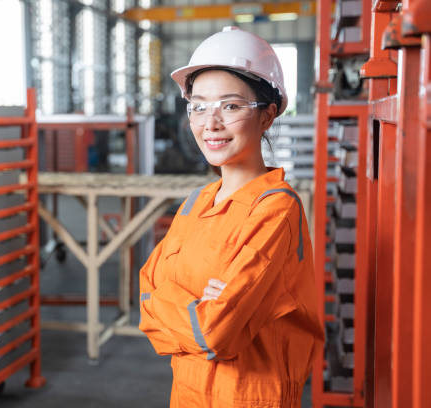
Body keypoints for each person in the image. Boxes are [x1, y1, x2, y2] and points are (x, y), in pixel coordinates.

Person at [139, 26, 324, 408]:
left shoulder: (276, 209)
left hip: (250, 398)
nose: (211, 123)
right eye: (199, 106)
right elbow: (144, 297)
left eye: (231, 106)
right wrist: (199, 305)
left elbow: (214, 332)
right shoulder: (196, 202)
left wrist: (174, 301)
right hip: (186, 395)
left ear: (268, 115)